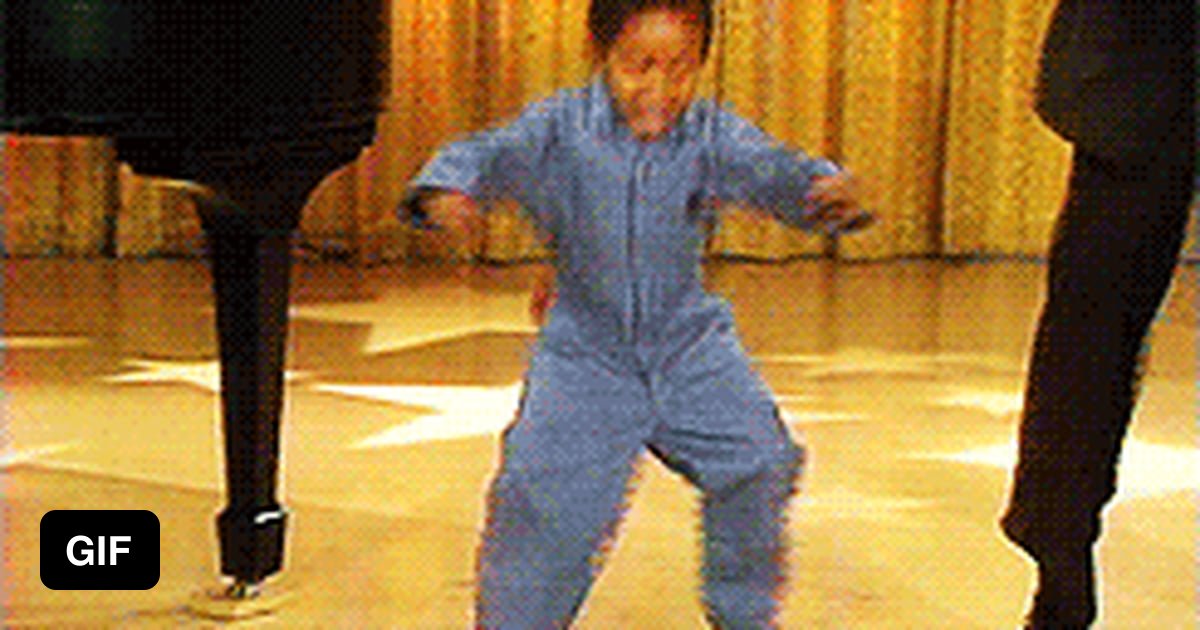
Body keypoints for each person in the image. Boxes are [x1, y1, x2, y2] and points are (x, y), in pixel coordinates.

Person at [404, 0, 867, 626]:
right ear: (601, 55)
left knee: (761, 460)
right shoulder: (559, 128)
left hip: (688, 346)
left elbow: (772, 169)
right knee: (539, 499)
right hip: (585, 355)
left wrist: (821, 192)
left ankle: (744, 615)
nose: (659, 88)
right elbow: (487, 153)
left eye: (680, 68)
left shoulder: (709, 134)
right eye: (638, 66)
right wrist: (445, 191)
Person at [999, 1, 1195, 628]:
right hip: (1141, 70)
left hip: (1138, 76)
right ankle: (1059, 553)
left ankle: (1058, 552)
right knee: (1091, 334)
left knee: (1091, 331)